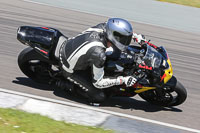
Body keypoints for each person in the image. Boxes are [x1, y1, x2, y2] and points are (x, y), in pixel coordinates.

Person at [57, 18, 147, 104]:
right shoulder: (99, 53)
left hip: (70, 45)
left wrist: (135, 36)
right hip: (68, 67)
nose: (125, 41)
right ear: (113, 36)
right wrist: (122, 80)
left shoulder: (103, 27)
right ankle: (65, 84)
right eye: (124, 39)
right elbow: (98, 83)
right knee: (99, 96)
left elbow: (118, 31)